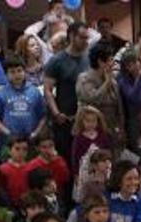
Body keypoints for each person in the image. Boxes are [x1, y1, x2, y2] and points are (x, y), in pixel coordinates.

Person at [45, 21, 91, 168]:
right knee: (66, 161)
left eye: (87, 38)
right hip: (65, 120)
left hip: (86, 119)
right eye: (82, 37)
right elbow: (48, 90)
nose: (85, 41)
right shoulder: (56, 61)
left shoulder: (89, 59)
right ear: (71, 36)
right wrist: (56, 113)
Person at [76, 42, 124, 151]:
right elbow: (92, 99)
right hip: (91, 130)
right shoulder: (84, 79)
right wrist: (106, 82)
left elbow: (118, 106)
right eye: (111, 60)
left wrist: (121, 127)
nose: (113, 63)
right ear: (101, 62)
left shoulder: (112, 80)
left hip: (112, 129)